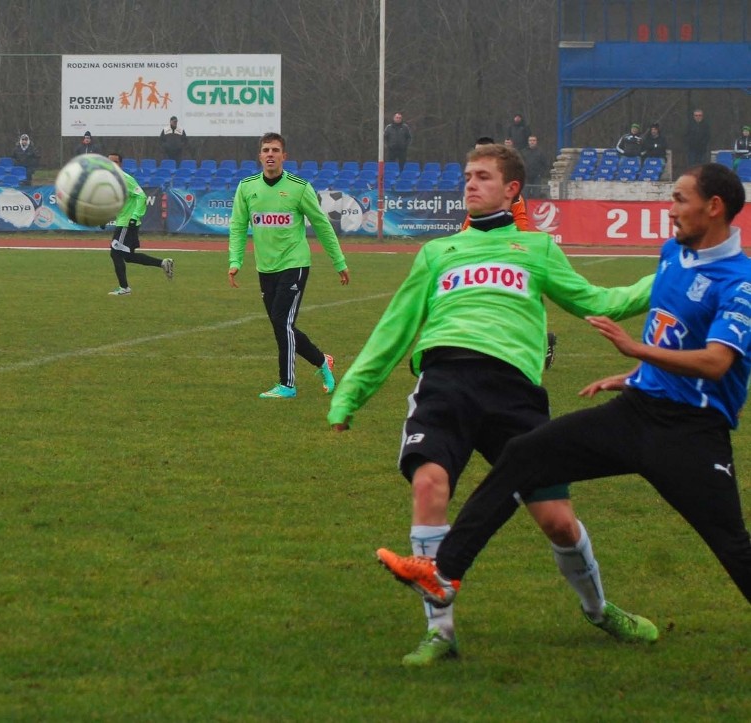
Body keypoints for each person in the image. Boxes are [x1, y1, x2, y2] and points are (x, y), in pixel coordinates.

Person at [378, 163, 751, 635]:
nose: (670, 209)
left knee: (733, 547)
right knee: (522, 455)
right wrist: (636, 373)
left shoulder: (740, 282)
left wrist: (635, 348)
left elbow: (717, 362)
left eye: (679, 199)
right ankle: (443, 573)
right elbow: (676, 337)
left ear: (713, 207)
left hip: (691, 435)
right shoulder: (672, 254)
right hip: (637, 412)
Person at [331, 144, 657, 667]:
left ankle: (598, 610)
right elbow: (395, 328)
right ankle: (440, 633)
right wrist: (351, 392)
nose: (469, 184)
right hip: (446, 381)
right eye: (466, 176)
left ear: (511, 189)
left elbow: (599, 303)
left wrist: (664, 280)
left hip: (515, 393)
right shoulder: (438, 253)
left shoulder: (538, 250)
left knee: (556, 520)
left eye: (482, 177)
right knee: (429, 484)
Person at [228, 131, 349, 399]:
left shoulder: (299, 187)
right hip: (265, 267)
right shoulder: (246, 187)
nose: (270, 154)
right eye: (266, 150)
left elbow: (322, 226)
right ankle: (321, 361)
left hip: (295, 263)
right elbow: (237, 227)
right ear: (260, 156)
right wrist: (235, 261)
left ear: (284, 156)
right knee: (282, 326)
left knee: (282, 321)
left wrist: (338, 261)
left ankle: (287, 385)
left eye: (275, 150)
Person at [462, 136, 557, 370]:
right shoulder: (479, 194)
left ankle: (542, 340)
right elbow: (471, 222)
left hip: (505, 250)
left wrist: (517, 249)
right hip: (482, 248)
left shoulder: (508, 195)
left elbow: (521, 222)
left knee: (516, 303)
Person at [106, 151, 174, 296]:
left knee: (115, 254)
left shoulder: (125, 179)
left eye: (115, 162)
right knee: (128, 256)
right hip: (124, 221)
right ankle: (163, 263)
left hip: (127, 223)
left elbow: (141, 196)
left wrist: (135, 216)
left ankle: (124, 288)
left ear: (121, 164)